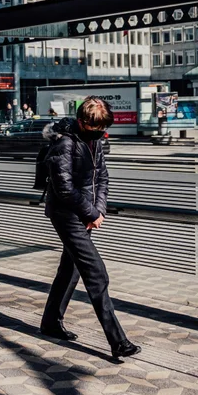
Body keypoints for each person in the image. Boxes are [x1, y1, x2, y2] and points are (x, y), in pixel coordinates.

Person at [40, 97, 140, 359]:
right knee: (96, 274)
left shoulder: (94, 140)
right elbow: (64, 189)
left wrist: (99, 209)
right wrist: (91, 212)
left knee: (70, 270)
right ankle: (118, 341)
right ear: (83, 122)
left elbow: (102, 177)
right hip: (66, 214)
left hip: (84, 213)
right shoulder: (64, 143)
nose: (101, 134)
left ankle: (50, 322)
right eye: (97, 129)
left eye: (104, 129)